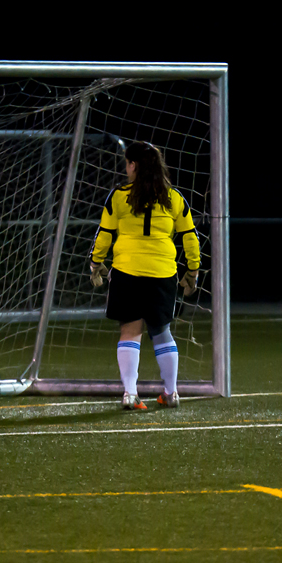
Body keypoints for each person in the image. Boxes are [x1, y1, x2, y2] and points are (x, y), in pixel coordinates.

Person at [88, 141, 200, 410]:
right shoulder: (174, 197)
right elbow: (190, 237)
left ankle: (130, 393)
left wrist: (96, 263)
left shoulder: (119, 196)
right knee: (162, 331)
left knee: (129, 331)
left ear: (134, 165)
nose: (125, 169)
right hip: (163, 273)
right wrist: (192, 271)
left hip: (128, 271)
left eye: (127, 164)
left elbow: (104, 234)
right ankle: (171, 393)